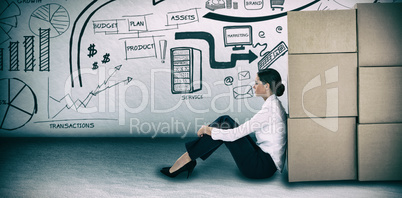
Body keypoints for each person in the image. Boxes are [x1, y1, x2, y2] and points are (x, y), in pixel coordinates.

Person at [160, 68, 287, 179]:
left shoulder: (269, 110)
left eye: (256, 83)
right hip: (265, 162)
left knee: (225, 126)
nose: (253, 86)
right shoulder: (274, 104)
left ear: (267, 86)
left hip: (260, 168)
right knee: (225, 121)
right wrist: (211, 130)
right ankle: (188, 158)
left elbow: (234, 135)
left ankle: (185, 160)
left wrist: (206, 130)